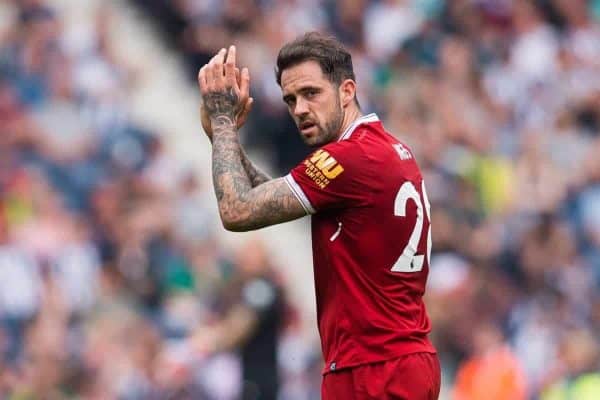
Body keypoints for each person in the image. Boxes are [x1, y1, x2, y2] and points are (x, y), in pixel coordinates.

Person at [198, 32, 440, 399]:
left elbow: (237, 209)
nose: (299, 109)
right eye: (290, 99)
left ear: (346, 91)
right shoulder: (384, 150)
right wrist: (223, 140)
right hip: (395, 360)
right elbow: (271, 196)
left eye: (312, 93)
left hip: (373, 368)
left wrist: (222, 122)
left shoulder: (349, 158)